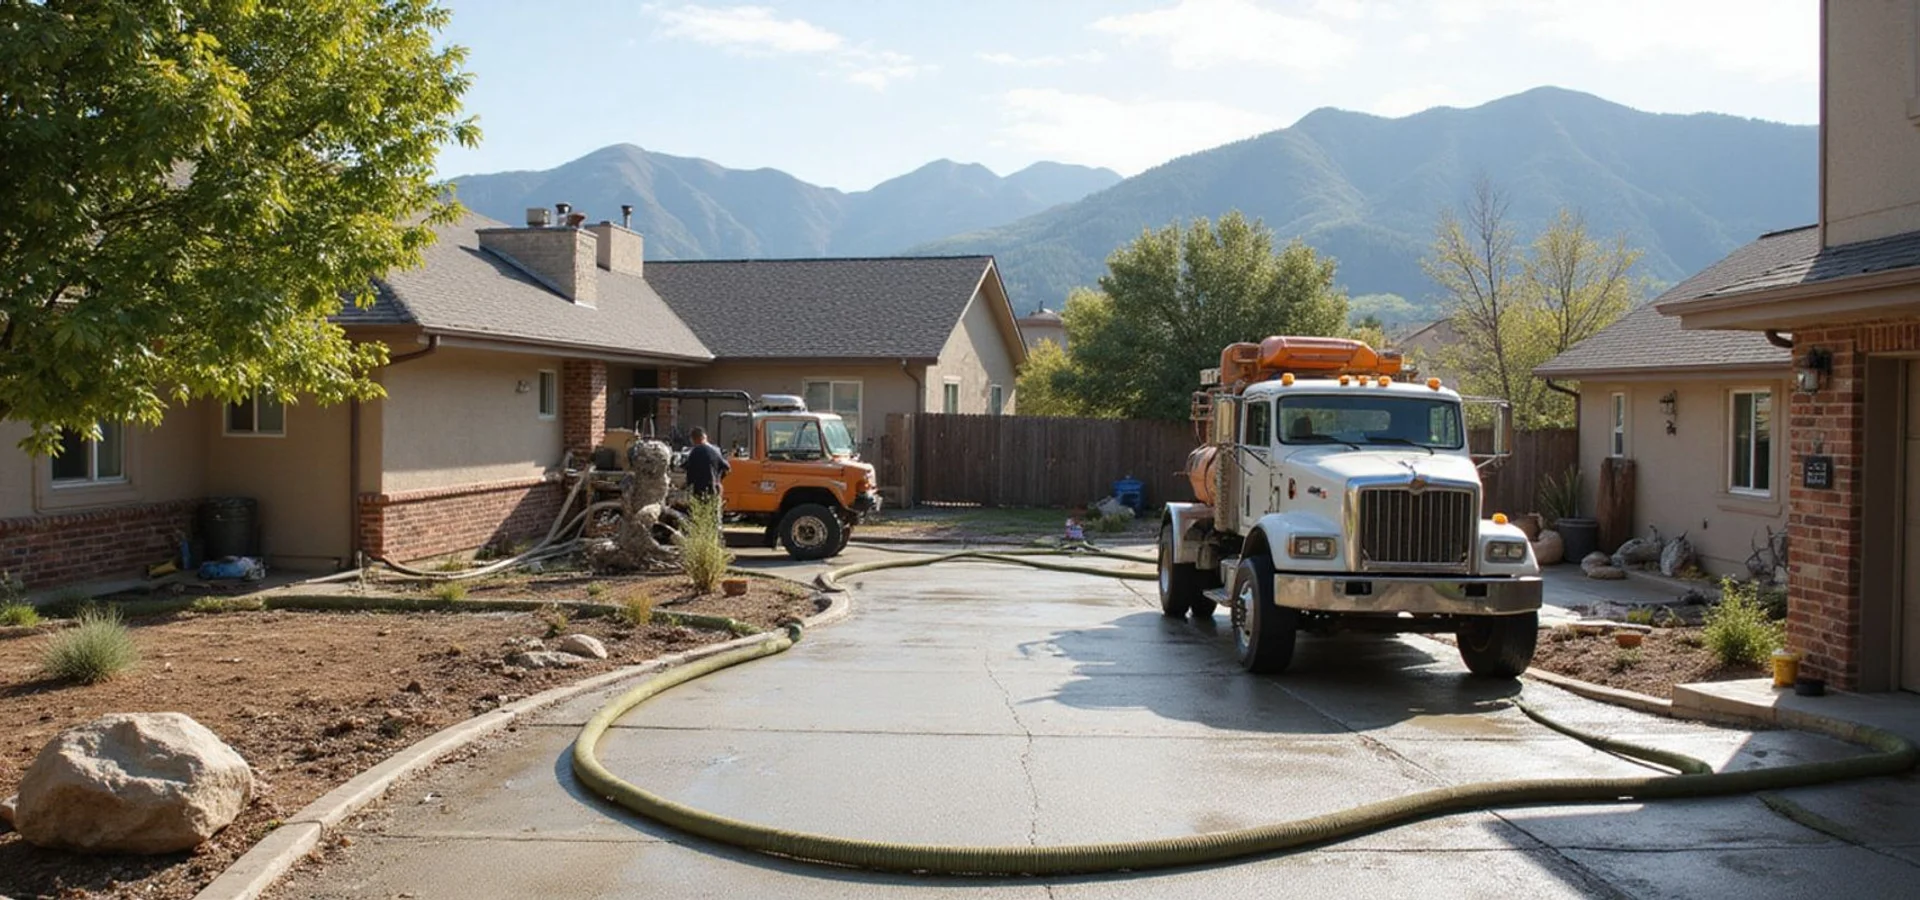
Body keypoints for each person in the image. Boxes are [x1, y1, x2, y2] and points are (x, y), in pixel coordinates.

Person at [682, 426, 731, 500]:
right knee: (714, 510)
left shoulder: (695, 451)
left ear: (694, 439)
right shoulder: (716, 450)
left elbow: (689, 472)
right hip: (715, 489)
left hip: (700, 490)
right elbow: (727, 468)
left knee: (701, 510)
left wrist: (686, 485)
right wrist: (718, 479)